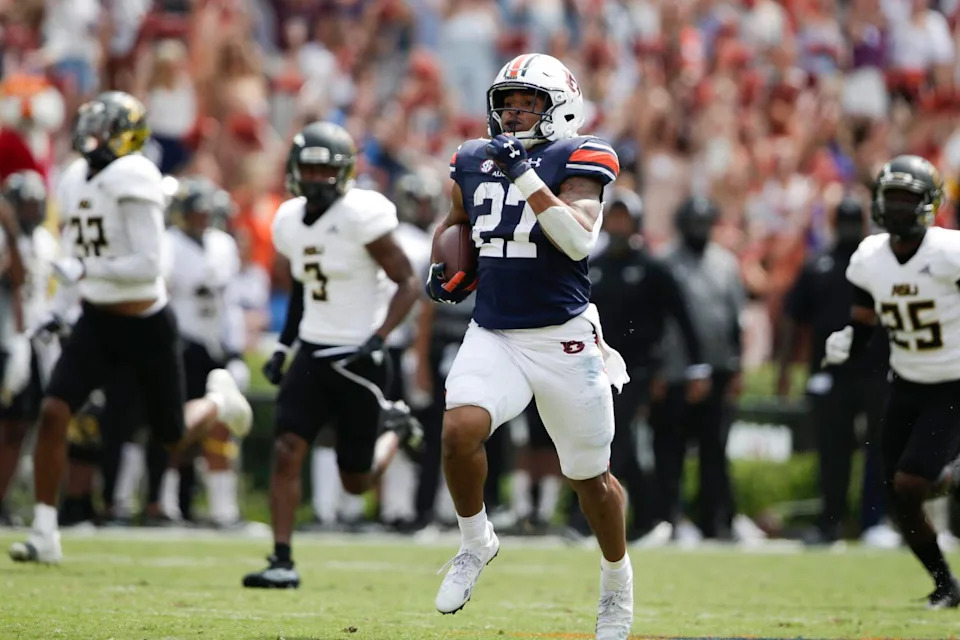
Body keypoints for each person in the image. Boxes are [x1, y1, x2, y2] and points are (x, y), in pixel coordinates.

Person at [426, 53, 633, 639]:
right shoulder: (472, 157)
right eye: (506, 104)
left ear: (559, 106)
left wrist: (522, 172)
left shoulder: (580, 155)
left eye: (528, 104)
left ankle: (616, 583)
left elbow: (578, 240)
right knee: (459, 430)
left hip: (564, 338)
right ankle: (475, 543)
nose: (514, 115)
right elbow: (457, 221)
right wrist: (445, 265)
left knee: (590, 479)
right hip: (494, 332)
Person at [8, 91, 252, 565]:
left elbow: (145, 265)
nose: (91, 136)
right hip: (98, 318)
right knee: (55, 411)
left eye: (103, 127)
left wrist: (85, 272)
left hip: (144, 321)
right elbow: (76, 253)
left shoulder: (135, 174)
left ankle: (219, 401)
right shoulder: (76, 177)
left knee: (171, 435)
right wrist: (60, 308)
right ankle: (43, 532)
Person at [242, 121, 421, 589]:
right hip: (313, 353)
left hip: (357, 358)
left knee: (355, 482)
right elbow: (303, 286)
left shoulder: (363, 215)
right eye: (308, 168)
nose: (316, 177)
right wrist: (285, 345)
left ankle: (393, 435)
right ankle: (282, 559)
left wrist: (379, 337)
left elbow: (408, 283)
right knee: (287, 450)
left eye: (325, 169)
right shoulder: (287, 220)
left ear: (342, 173)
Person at [824, 155, 960, 608]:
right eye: (893, 198)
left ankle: (953, 478)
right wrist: (849, 341)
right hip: (906, 383)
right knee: (897, 494)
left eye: (909, 199)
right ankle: (945, 583)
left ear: (929, 204)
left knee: (910, 481)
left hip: (952, 382)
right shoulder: (869, 258)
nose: (900, 208)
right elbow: (864, 323)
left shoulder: (948, 251)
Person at [584, 188, 708, 541]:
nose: (620, 224)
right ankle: (643, 520)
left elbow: (683, 319)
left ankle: (646, 518)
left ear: (636, 222)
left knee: (625, 443)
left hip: (643, 371)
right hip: (598, 369)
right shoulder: (596, 267)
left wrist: (695, 367)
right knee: (612, 442)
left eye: (626, 217)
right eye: (616, 216)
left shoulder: (653, 268)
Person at [777, 197, 894, 546]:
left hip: (874, 371)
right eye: (842, 220)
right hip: (832, 374)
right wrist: (785, 371)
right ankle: (831, 524)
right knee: (833, 452)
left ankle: (874, 522)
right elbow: (793, 320)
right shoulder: (818, 265)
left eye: (852, 220)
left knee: (879, 448)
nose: (847, 228)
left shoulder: (879, 266)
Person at [650, 196, 745, 540]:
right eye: (694, 223)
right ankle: (669, 519)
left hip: (718, 370)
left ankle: (716, 521)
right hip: (674, 372)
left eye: (705, 223)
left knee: (714, 450)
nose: (699, 230)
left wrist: (737, 368)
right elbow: (655, 321)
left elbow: (736, 321)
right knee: (670, 449)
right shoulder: (664, 261)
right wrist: (657, 369)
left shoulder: (726, 264)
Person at [162, 176, 250, 527]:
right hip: (179, 342)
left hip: (213, 346)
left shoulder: (223, 244)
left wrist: (236, 351)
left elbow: (230, 304)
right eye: (195, 212)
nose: (201, 219)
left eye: (205, 213)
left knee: (220, 426)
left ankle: (222, 509)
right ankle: (166, 504)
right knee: (177, 425)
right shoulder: (168, 243)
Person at [0, 171, 57, 524]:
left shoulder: (45, 241)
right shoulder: (8, 237)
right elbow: (14, 277)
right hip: (5, 340)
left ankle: (2, 499)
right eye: (25, 205)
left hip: (32, 342)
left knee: (21, 425)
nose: (32, 211)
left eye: (37, 205)